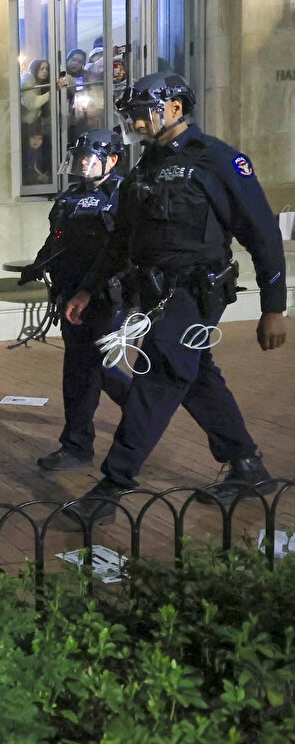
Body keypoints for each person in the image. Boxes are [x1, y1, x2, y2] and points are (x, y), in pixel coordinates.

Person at [64, 74, 287, 524]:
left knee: (160, 376)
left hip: (196, 290)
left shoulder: (218, 161)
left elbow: (262, 233)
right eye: (132, 114)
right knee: (197, 376)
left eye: (142, 112)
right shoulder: (145, 168)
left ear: (175, 110)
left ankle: (113, 485)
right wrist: (89, 286)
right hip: (157, 291)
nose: (136, 122)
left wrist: (274, 306)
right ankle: (248, 467)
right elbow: (120, 240)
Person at [20, 129, 131, 470]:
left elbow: (124, 251)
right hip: (70, 294)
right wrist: (38, 265)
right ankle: (77, 444)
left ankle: (144, 409)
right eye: (80, 157)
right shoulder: (68, 199)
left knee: (93, 365)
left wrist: (92, 288)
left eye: (90, 157)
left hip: (106, 295)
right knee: (81, 368)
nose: (83, 163)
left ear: (111, 160)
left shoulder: (124, 195)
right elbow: (56, 239)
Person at [20, 58, 53, 136]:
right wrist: (50, 94)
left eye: (47, 69)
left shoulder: (40, 82)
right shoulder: (26, 81)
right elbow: (33, 104)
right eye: (41, 69)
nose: (45, 71)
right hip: (26, 124)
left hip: (36, 121)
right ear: (35, 69)